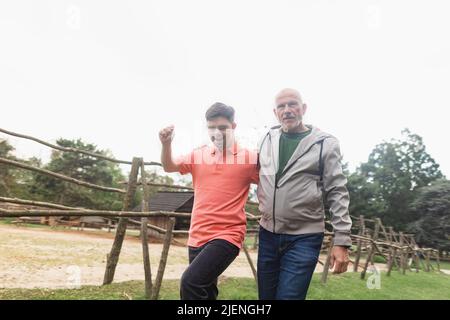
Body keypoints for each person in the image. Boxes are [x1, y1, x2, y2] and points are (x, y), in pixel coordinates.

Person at [256, 88, 352, 300]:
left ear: (304, 108)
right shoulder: (266, 139)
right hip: (267, 235)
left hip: (304, 238)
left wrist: (341, 240)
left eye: (292, 104)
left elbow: (337, 191)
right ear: (275, 112)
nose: (287, 110)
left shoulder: (325, 143)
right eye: (281, 106)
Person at [159, 102, 259, 300]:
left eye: (222, 127)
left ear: (234, 127)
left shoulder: (250, 158)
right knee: (206, 291)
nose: (217, 133)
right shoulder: (199, 154)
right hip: (197, 235)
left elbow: (272, 184)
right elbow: (169, 166)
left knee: (191, 282)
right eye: (212, 128)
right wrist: (166, 144)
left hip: (227, 235)